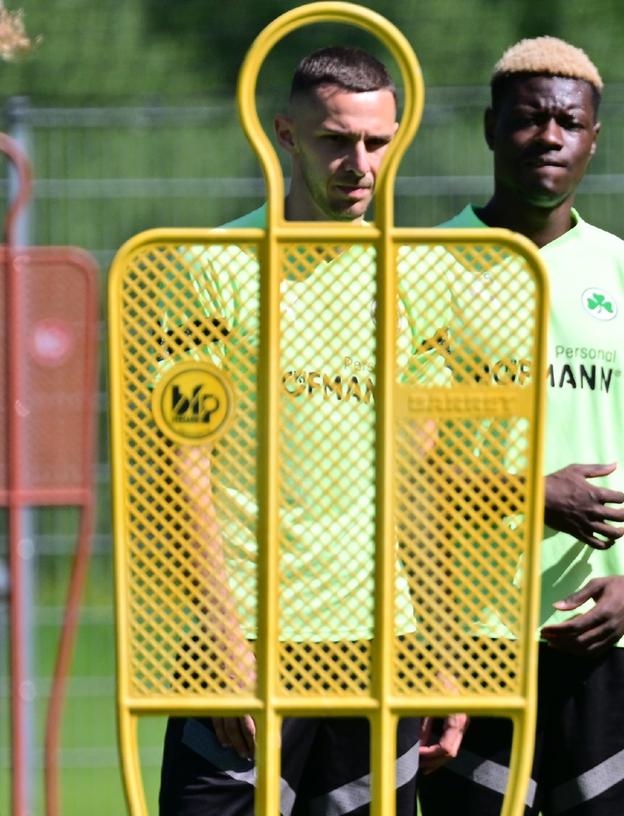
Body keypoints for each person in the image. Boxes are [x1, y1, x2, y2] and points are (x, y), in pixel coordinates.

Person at [156, 46, 439, 815]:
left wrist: (442, 648)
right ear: (285, 134)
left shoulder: (412, 276)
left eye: (375, 143)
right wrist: (219, 638)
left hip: (380, 645)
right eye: (334, 140)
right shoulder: (212, 267)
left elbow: (418, 477)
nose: (357, 162)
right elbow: (179, 467)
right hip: (248, 640)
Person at [418, 37, 624, 815]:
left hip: (612, 639)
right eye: (530, 120)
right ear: (491, 126)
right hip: (463, 641)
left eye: (570, 122)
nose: (550, 137)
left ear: (594, 138)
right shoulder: (422, 268)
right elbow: (393, 473)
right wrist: (529, 492)